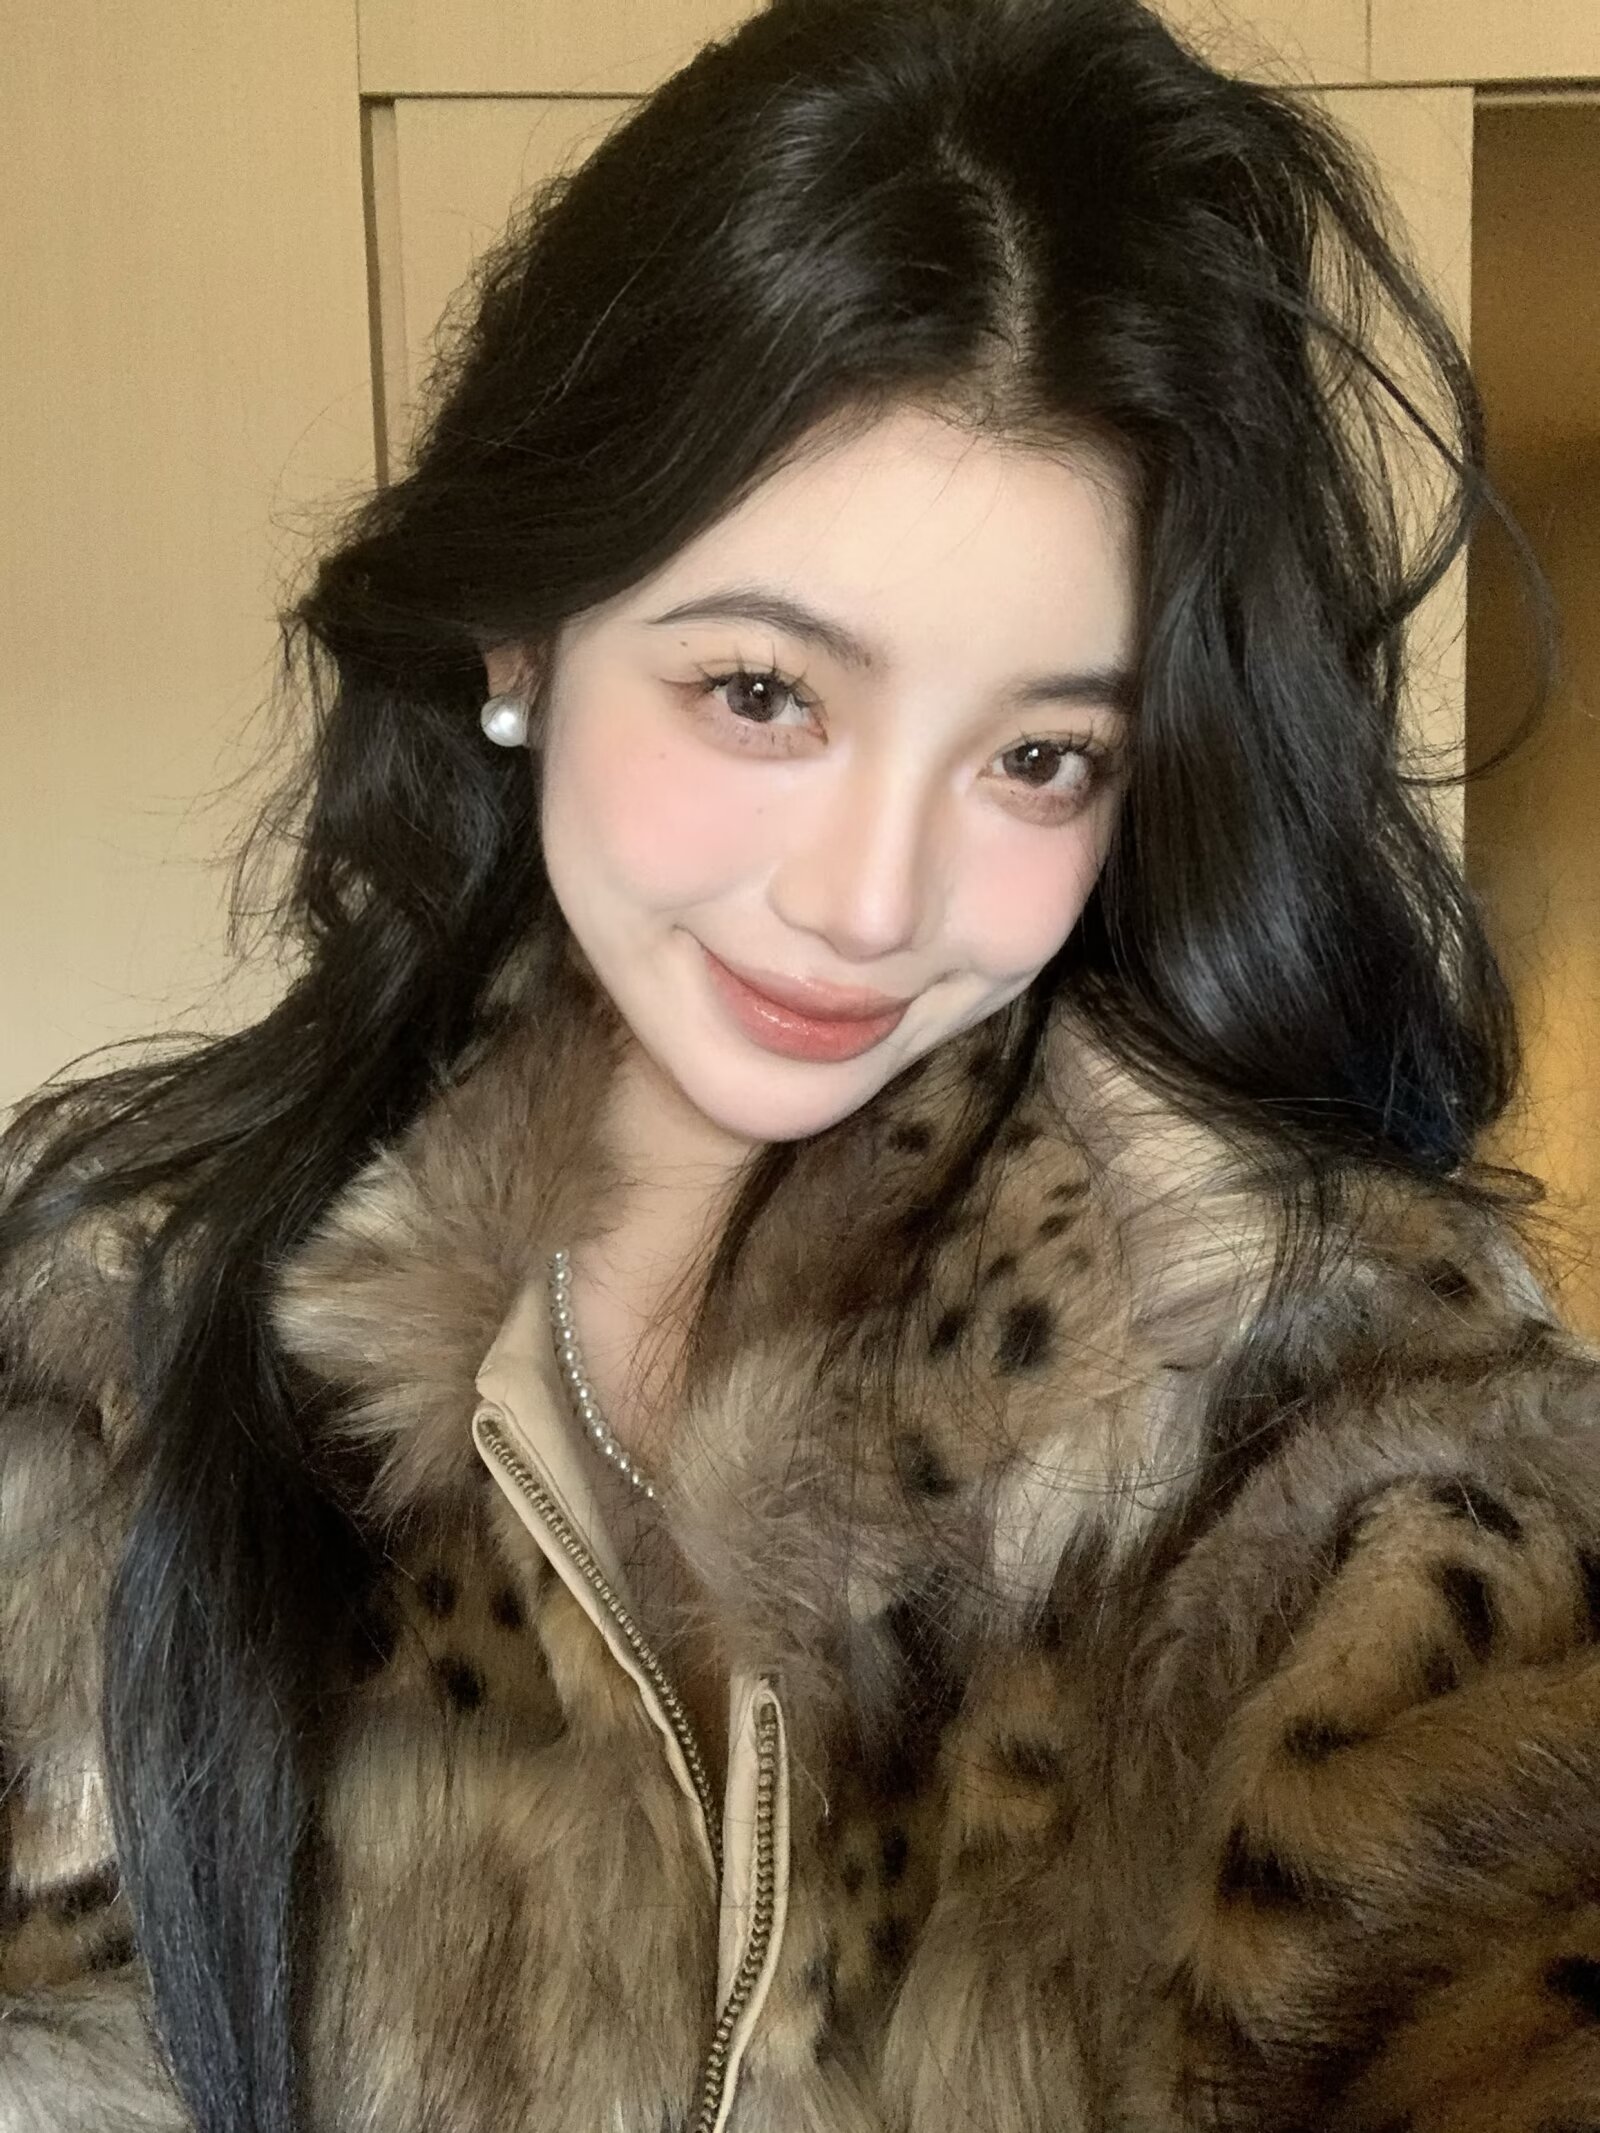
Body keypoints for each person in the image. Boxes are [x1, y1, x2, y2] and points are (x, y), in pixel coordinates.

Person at [2, 0, 1596, 2126]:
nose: (871, 900)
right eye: (763, 692)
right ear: (524, 629)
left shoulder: (1298, 1364)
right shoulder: (114, 1326)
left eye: (1042, 755)